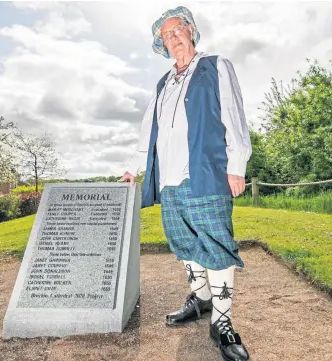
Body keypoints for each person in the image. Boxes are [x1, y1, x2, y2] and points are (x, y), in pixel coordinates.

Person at [119, 6, 252, 361]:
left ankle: (222, 322)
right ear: (161, 45)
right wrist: (134, 168)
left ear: (191, 31)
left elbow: (234, 116)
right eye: (166, 35)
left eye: (178, 30)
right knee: (184, 243)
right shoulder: (162, 84)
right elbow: (148, 130)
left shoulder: (216, 66)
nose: (173, 37)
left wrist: (236, 164)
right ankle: (202, 299)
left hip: (206, 172)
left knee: (215, 243)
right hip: (170, 180)